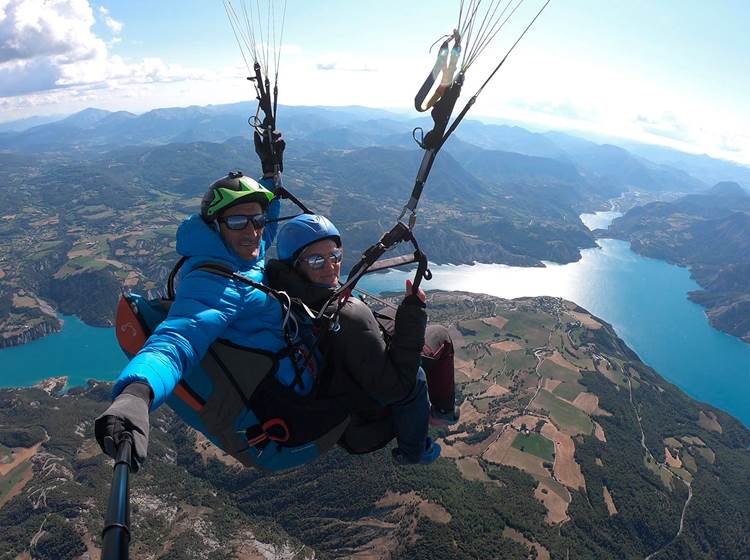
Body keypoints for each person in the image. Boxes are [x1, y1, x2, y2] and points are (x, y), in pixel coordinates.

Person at [266, 214, 458, 465]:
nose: (330, 266)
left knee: (391, 315)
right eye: (316, 260)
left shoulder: (285, 293)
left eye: (335, 256)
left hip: (338, 392)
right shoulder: (349, 316)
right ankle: (423, 440)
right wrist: (413, 311)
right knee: (438, 339)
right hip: (366, 424)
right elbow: (398, 387)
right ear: (295, 265)